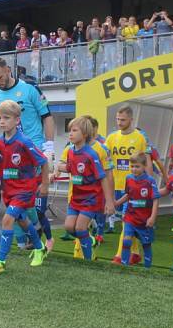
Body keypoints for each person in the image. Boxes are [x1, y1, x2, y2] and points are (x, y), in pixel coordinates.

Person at [0, 57, 56, 251]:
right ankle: (27, 244)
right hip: (13, 159)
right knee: (15, 203)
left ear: (8, 70)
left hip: (34, 154)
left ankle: (42, 238)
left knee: (36, 207)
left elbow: (47, 118)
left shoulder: (30, 88)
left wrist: (49, 147)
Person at [0, 100, 49, 275]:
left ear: (17, 120)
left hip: (25, 189)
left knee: (7, 219)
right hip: (8, 190)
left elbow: (43, 161)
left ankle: (1, 260)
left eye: (6, 118)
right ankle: (40, 248)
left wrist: (45, 184)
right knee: (22, 220)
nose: (2, 121)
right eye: (0, 118)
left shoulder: (24, 142)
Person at [57, 116, 114, 262]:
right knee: (70, 228)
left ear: (85, 134)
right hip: (76, 198)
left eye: (74, 130)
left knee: (81, 228)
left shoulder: (91, 154)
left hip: (90, 198)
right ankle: (90, 240)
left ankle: (88, 261)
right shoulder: (70, 151)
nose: (70, 133)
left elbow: (102, 178)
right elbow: (69, 166)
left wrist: (109, 202)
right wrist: (61, 167)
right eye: (70, 130)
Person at [106, 105, 149, 264]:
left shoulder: (140, 137)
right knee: (127, 220)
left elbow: (147, 161)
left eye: (123, 120)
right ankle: (136, 253)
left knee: (126, 220)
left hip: (134, 187)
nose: (119, 122)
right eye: (117, 119)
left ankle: (119, 256)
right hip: (115, 184)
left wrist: (148, 183)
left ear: (131, 119)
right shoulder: (111, 138)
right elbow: (106, 159)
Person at [114, 152, 159, 267]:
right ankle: (124, 264)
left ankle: (147, 267)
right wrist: (117, 202)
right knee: (127, 239)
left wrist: (152, 217)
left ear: (144, 166)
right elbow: (128, 195)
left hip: (144, 219)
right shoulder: (128, 178)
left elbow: (155, 200)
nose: (134, 169)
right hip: (130, 216)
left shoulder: (150, 181)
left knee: (146, 244)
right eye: (132, 166)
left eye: (137, 166)